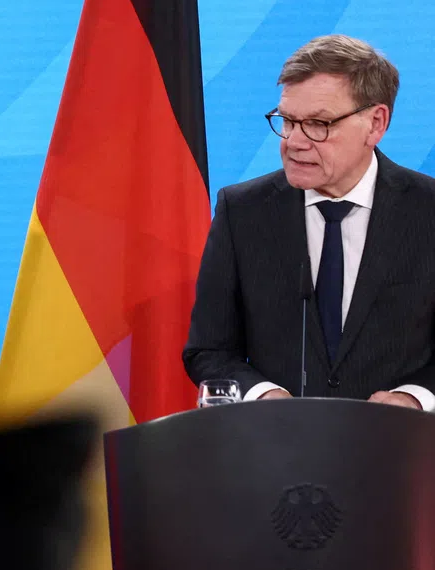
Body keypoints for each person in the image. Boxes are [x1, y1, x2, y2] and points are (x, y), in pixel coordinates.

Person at [184, 34, 435, 408]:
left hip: (405, 454)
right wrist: (264, 395)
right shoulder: (242, 211)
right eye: (287, 121)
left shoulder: (426, 210)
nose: (294, 142)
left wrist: (412, 399)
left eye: (318, 124)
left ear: (376, 123)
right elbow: (208, 350)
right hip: (278, 454)